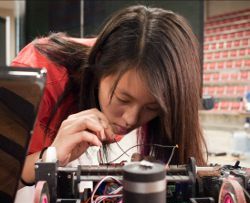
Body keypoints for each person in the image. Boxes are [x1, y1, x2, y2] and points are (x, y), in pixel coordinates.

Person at [12, 5, 207, 184]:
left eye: (152, 108)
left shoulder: (156, 81)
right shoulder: (35, 73)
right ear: (98, 63)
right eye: (123, 99)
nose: (131, 119)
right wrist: (50, 157)